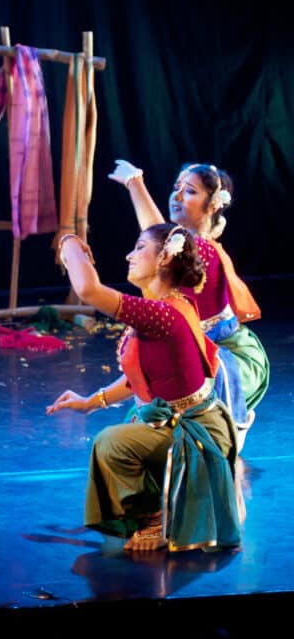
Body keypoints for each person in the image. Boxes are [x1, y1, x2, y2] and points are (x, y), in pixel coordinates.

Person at [47, 223, 242, 553]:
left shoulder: (163, 313)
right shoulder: (166, 308)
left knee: (111, 442)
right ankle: (154, 509)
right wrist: (90, 402)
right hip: (174, 419)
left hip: (193, 434)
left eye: (139, 247)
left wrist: (67, 242)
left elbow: (89, 290)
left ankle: (153, 522)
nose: (129, 254)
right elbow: (140, 375)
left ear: (164, 258)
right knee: (132, 420)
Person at [109, 159, 269, 452]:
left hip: (226, 359)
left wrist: (135, 183)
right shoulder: (183, 247)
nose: (178, 196)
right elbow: (160, 237)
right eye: (176, 188)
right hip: (195, 351)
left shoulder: (203, 250)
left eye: (190, 191)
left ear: (211, 206)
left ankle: (232, 424)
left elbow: (158, 234)